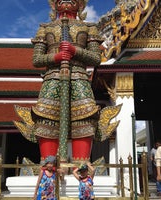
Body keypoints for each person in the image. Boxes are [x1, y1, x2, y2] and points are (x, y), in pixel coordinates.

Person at [30, 0, 103, 162]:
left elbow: (96, 58)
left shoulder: (88, 27)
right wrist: (55, 57)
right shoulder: (45, 28)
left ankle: (81, 166)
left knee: (85, 118)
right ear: (54, 4)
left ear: (80, 4)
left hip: (78, 77)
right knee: (45, 118)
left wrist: (74, 50)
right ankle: (48, 166)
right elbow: (36, 59)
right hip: (53, 77)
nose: (66, 2)